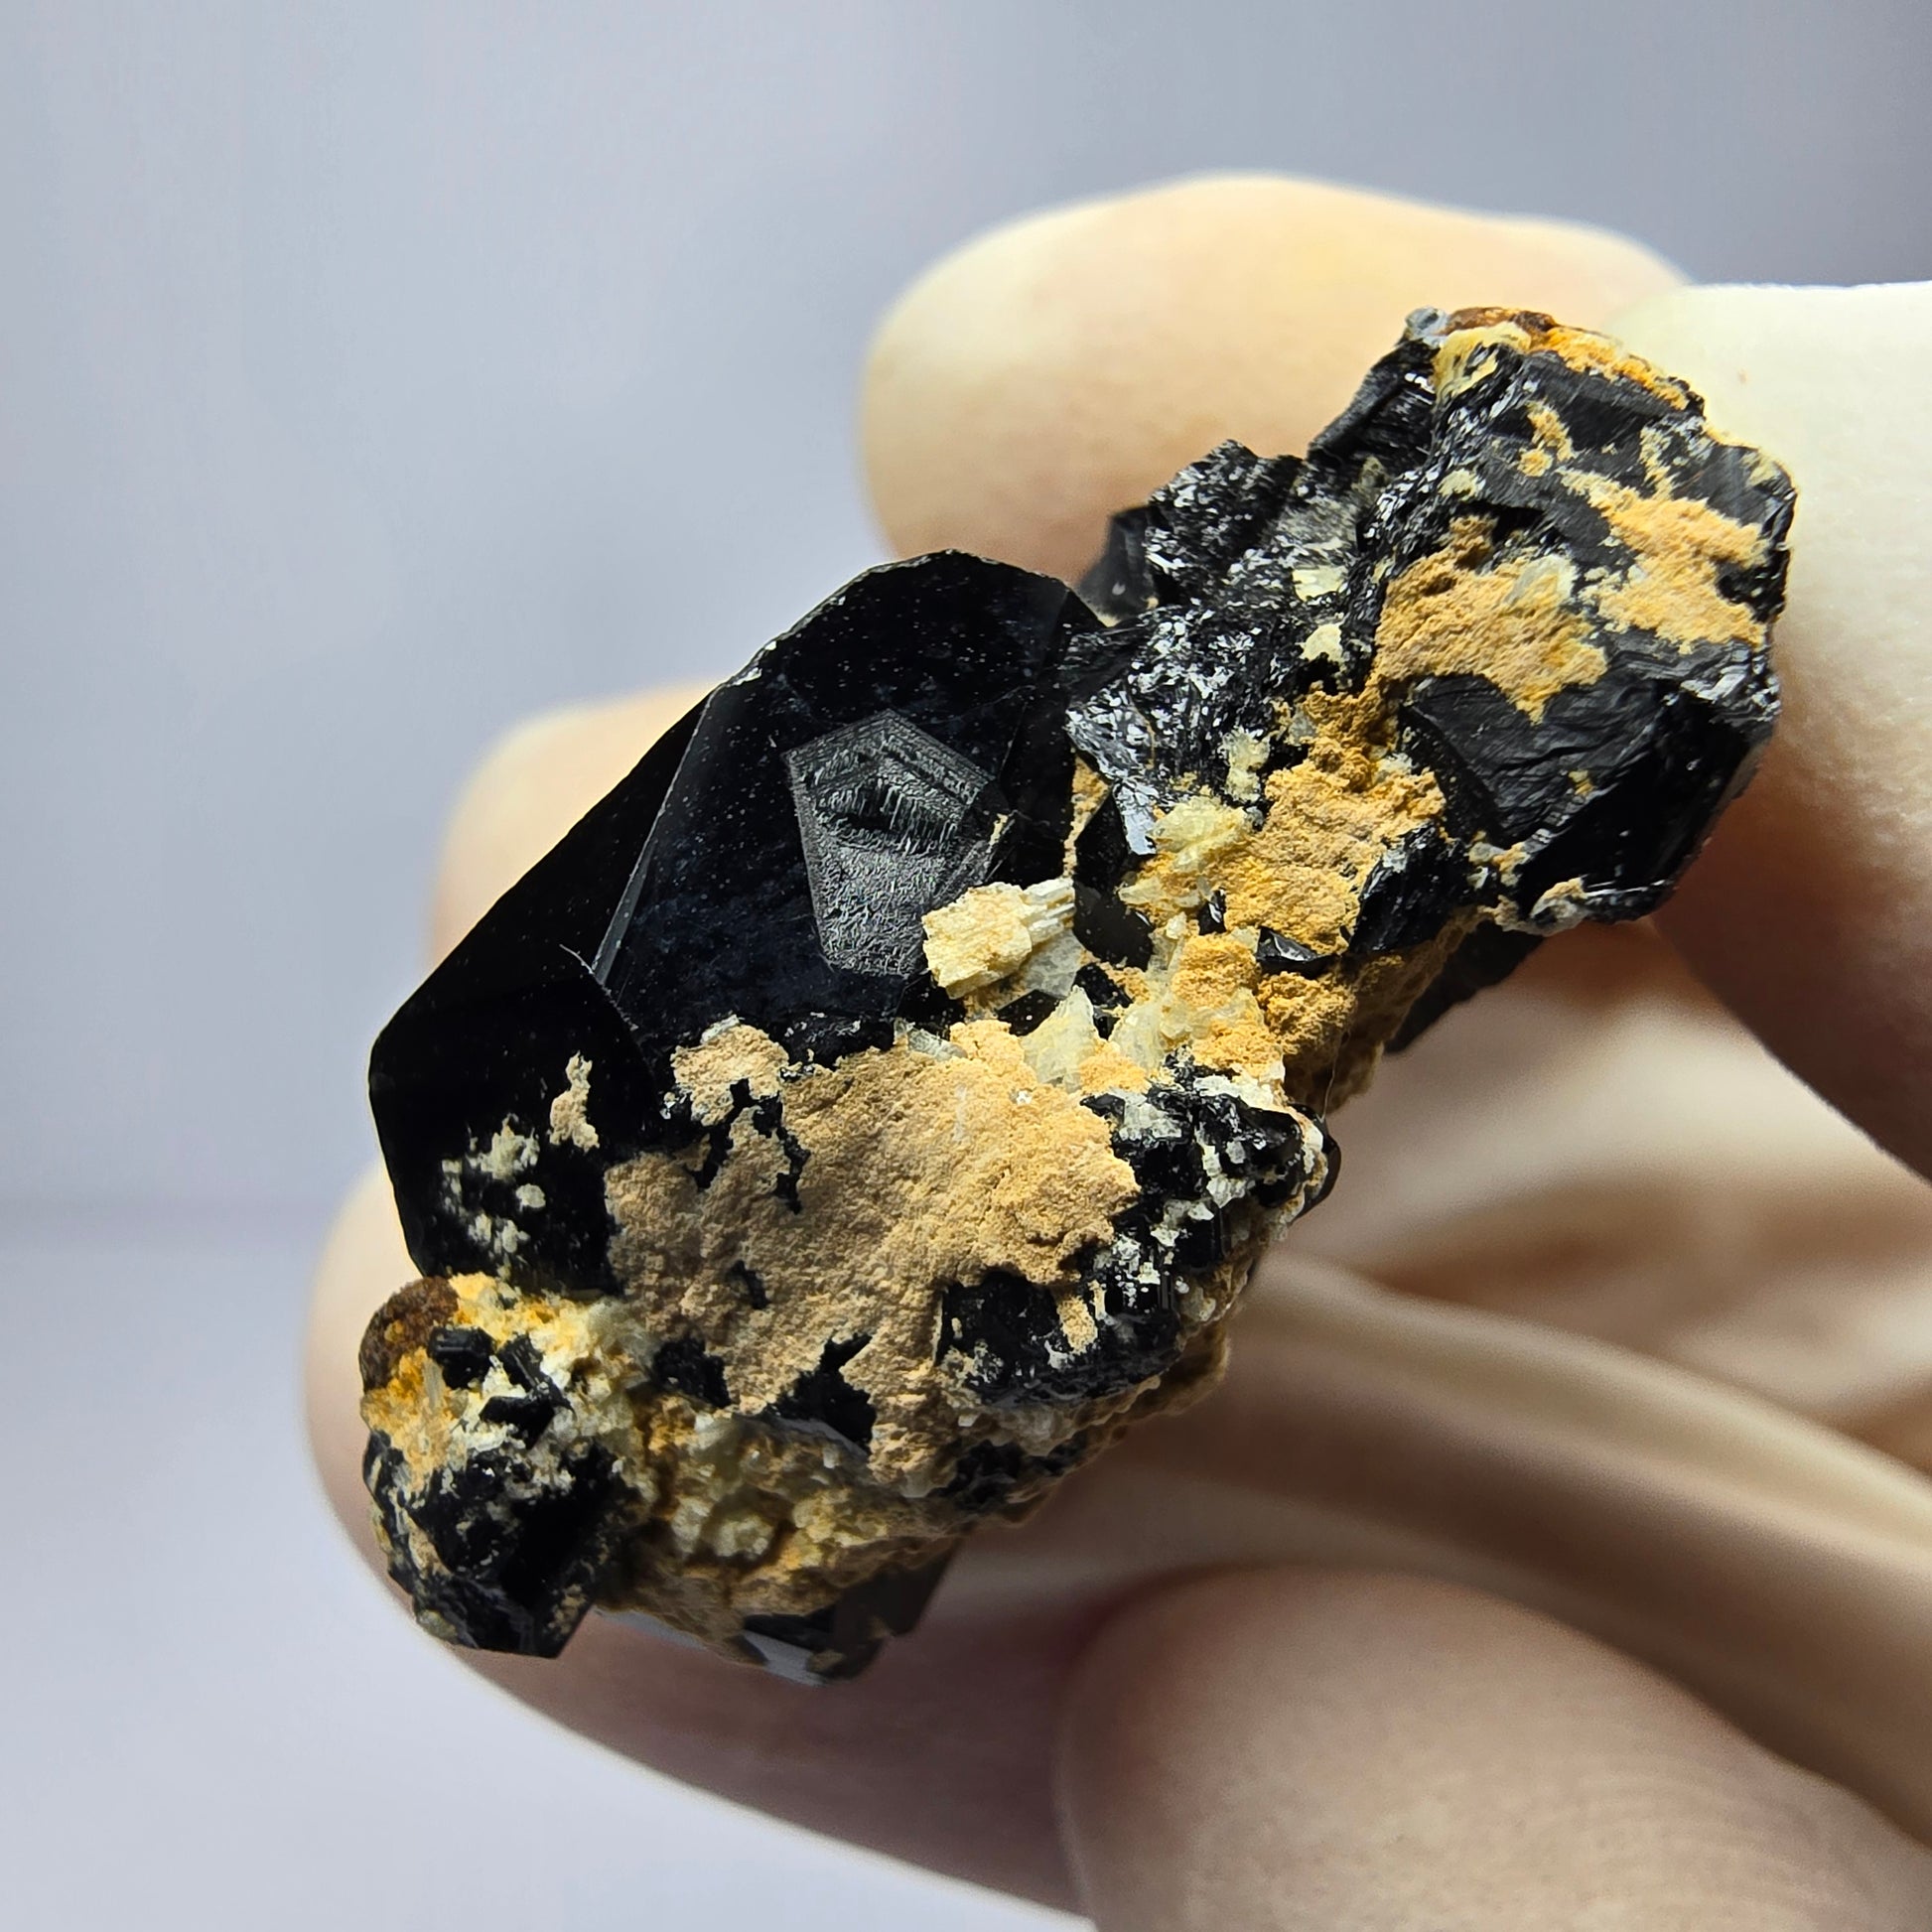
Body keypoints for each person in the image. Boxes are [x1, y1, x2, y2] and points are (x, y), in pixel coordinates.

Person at [305, 177, 1932, 1927]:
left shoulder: (485, 1115)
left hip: (1187, 768)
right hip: (1198, 906)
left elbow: (881, 705)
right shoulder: (762, 1505)